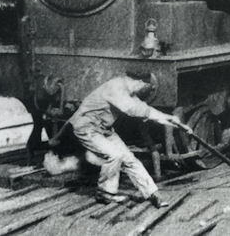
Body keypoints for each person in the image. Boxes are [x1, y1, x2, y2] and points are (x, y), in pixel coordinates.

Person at [67, 71, 181, 207]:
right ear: (139, 82)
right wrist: (165, 118)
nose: (145, 90)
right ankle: (104, 192)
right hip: (87, 127)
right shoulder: (115, 88)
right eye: (145, 86)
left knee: (130, 159)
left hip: (104, 129)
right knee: (114, 155)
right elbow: (132, 109)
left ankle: (153, 193)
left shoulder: (127, 89)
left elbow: (142, 107)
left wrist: (167, 119)